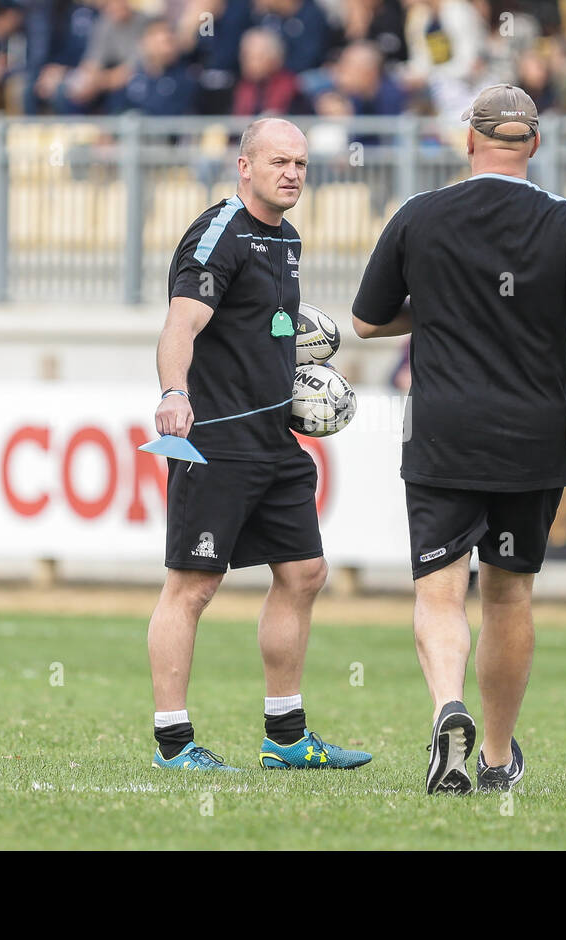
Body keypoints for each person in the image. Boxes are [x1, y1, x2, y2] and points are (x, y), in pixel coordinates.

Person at [350, 86, 566, 794]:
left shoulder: (419, 216)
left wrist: (439, 309)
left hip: (444, 429)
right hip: (532, 435)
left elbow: (366, 321)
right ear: (534, 144)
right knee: (509, 596)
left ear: (466, 140)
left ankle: (448, 708)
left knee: (440, 591)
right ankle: (498, 757)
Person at [148, 118, 372, 773]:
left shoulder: (287, 238)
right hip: (216, 439)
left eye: (301, 163)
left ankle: (285, 737)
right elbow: (180, 324)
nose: (293, 172)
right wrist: (173, 394)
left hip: (276, 444)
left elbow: (264, 326)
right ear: (244, 167)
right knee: (192, 587)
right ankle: (174, 744)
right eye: (278, 161)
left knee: (304, 573)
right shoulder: (219, 234)